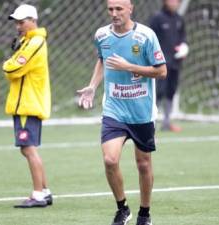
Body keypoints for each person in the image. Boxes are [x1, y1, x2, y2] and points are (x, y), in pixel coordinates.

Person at [77, 0, 167, 224]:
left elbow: (162, 71)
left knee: (143, 164)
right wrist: (93, 85)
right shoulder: (102, 35)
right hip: (114, 109)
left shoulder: (146, 36)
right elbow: (102, 60)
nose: (114, 13)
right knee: (109, 160)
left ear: (130, 9)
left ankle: (144, 213)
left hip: (141, 111)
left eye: (119, 9)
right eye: (110, 9)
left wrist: (129, 67)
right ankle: (122, 208)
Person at [2, 4, 52, 208]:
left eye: (22, 22)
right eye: (16, 22)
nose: (18, 26)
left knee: (28, 149)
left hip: (28, 105)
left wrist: (6, 65)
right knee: (27, 149)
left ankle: (38, 195)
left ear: (33, 20)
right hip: (23, 104)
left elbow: (14, 68)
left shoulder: (36, 42)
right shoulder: (28, 41)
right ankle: (45, 191)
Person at [149, 0, 188, 132]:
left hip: (175, 64)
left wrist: (184, 47)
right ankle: (150, 123)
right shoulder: (157, 18)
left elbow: (183, 38)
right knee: (157, 93)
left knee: (171, 92)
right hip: (159, 65)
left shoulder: (179, 19)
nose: (174, 3)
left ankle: (166, 122)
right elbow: (150, 39)